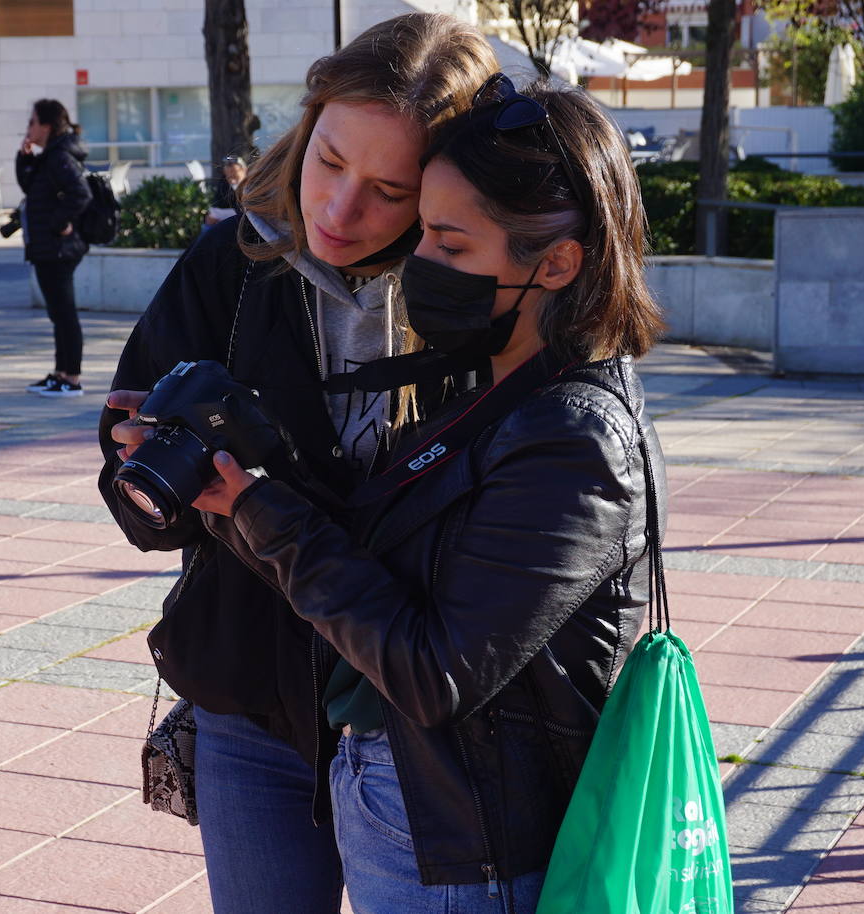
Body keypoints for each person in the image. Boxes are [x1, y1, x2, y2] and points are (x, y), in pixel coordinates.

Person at [177, 75, 668, 912]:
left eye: (449, 243)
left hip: (463, 844)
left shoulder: (572, 437)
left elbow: (433, 671)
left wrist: (259, 512)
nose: (420, 263)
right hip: (419, 807)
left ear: (555, 262)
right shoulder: (496, 386)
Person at [99, 14, 497, 912]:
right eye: (328, 161)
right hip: (251, 700)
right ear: (307, 123)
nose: (337, 210)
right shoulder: (231, 263)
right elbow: (131, 492)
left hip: (417, 720)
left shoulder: (480, 292)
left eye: (388, 189)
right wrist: (158, 481)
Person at [18, 99, 92, 398]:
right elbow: (32, 188)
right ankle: (61, 373)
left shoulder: (59, 156)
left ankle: (71, 378)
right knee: (58, 314)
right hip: (48, 248)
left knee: (64, 314)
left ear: (46, 126)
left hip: (59, 249)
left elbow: (80, 193)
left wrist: (59, 221)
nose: (28, 128)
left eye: (32, 122)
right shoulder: (49, 155)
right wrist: (24, 158)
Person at [202, 154, 247, 228]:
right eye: (228, 174)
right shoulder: (223, 184)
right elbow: (217, 204)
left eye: (234, 172)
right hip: (221, 222)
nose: (231, 176)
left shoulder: (251, 185)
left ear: (244, 169)